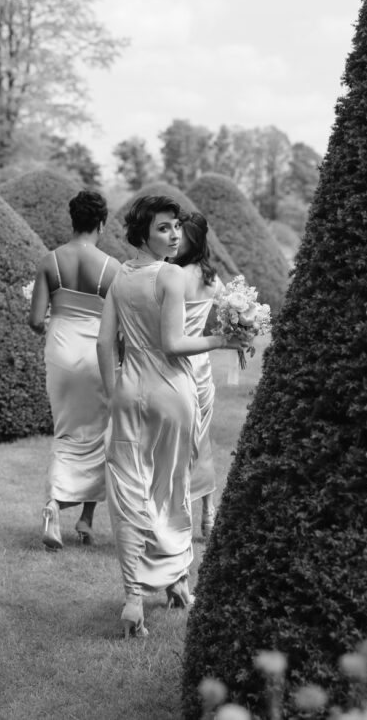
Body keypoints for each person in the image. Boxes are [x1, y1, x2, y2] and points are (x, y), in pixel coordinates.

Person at [96, 196, 247, 638]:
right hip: (171, 391)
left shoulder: (121, 274)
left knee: (130, 491)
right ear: (143, 234)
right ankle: (177, 581)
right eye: (164, 228)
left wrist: (113, 391)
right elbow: (175, 343)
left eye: (176, 226)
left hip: (129, 391)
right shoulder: (171, 275)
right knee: (171, 489)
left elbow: (105, 344)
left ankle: (136, 596)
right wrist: (222, 340)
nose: (175, 234)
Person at [29, 190, 120, 550]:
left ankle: (55, 503)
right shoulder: (112, 268)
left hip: (61, 350)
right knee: (98, 433)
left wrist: (57, 320)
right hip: (96, 354)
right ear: (101, 223)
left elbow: (36, 320)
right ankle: (85, 519)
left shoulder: (50, 261)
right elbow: (120, 326)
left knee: (66, 431)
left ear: (72, 220)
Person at [173, 211, 225, 540]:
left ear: (193, 239)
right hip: (202, 368)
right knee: (200, 444)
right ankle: (208, 513)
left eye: (180, 232)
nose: (174, 237)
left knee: (173, 447)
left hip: (176, 366)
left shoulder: (170, 276)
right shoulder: (212, 278)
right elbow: (225, 319)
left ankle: (175, 517)